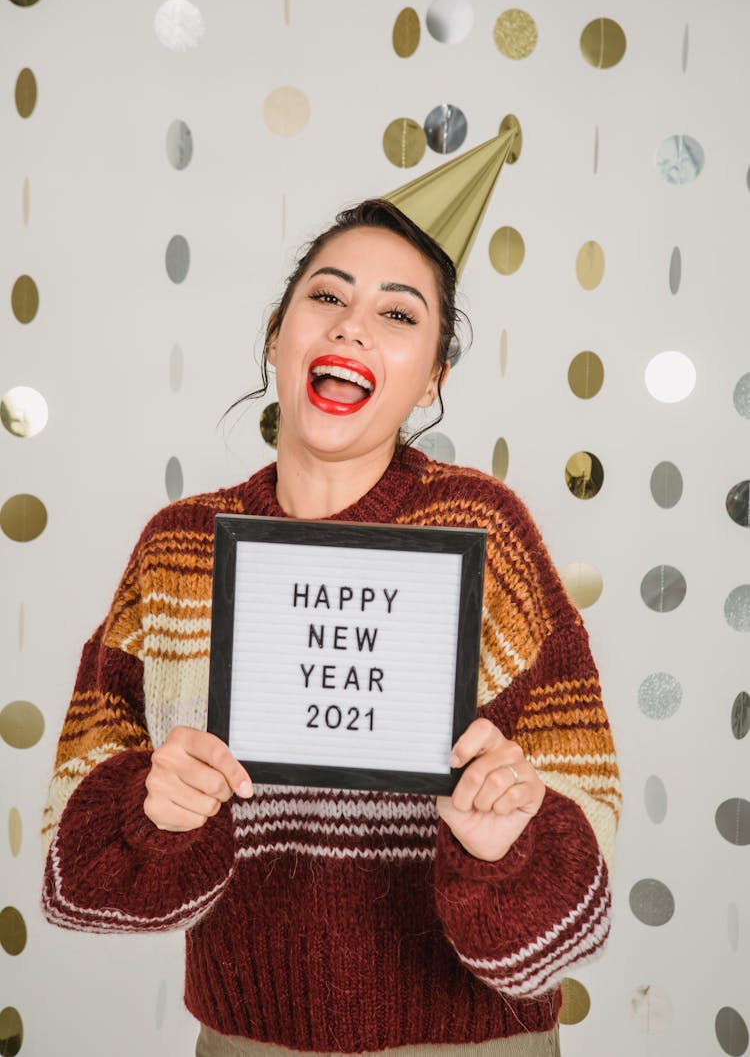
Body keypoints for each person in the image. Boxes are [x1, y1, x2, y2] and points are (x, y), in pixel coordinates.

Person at [42, 193, 620, 1057]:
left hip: (469, 1041)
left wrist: (509, 846)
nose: (352, 328)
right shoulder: (178, 551)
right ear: (278, 336)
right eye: (327, 296)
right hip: (247, 1039)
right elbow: (74, 878)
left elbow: (581, 906)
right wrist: (149, 809)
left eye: (397, 312)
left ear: (432, 379)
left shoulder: (488, 534)